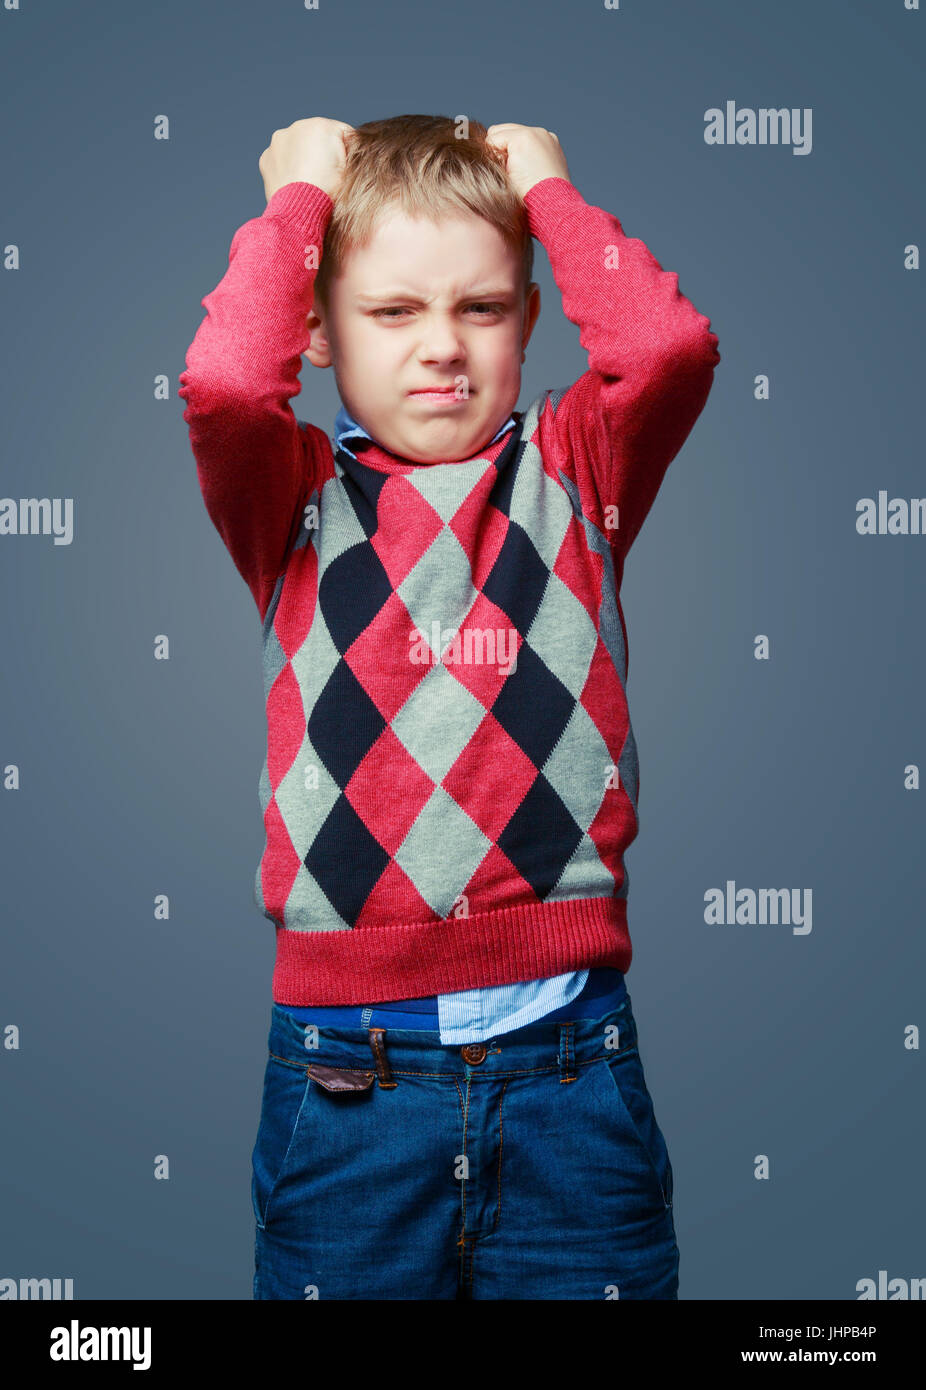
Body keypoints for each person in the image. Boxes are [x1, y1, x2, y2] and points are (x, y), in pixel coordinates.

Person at [179, 113, 720, 1300]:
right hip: (347, 1087)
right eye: (392, 312)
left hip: (569, 1067)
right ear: (316, 330)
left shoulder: (577, 474)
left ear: (528, 319)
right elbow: (223, 386)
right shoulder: (292, 499)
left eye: (481, 307)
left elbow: (665, 347)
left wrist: (546, 186)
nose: (442, 348)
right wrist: (303, 198)